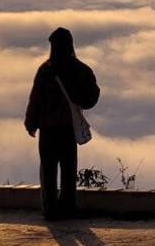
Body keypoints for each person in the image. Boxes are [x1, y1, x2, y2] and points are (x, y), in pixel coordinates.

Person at [25, 27, 100, 220]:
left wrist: (31, 123)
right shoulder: (80, 70)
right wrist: (78, 101)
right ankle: (68, 207)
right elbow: (92, 97)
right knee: (68, 169)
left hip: (48, 129)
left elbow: (36, 99)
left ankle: (50, 209)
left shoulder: (45, 71)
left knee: (48, 170)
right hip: (67, 128)